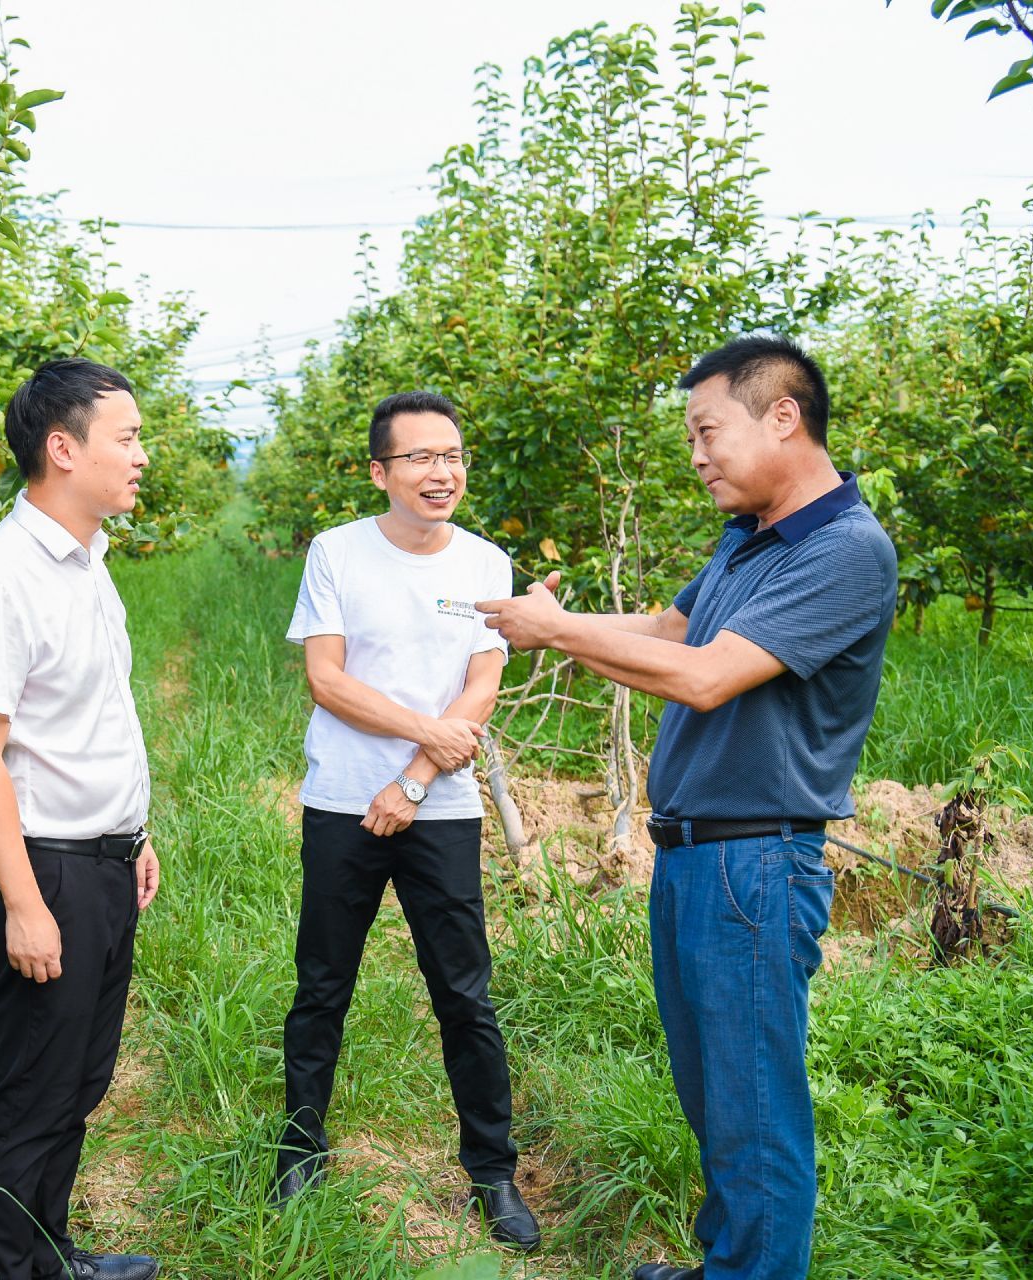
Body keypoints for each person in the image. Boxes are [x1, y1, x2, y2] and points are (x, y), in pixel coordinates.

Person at [477, 334, 897, 1280]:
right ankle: (725, 1265)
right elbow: (673, 629)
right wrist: (539, 631)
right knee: (716, 1096)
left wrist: (562, 630)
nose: (698, 456)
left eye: (709, 432)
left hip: (757, 861)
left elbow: (704, 677)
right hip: (698, 858)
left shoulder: (844, 551)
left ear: (782, 416)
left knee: (756, 1110)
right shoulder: (751, 537)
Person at [271, 391, 540, 1251]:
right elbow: (329, 680)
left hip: (442, 808)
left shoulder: (484, 563)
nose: (443, 472)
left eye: (453, 455)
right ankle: (301, 1146)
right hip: (344, 800)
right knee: (324, 982)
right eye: (421, 457)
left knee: (464, 990)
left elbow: (483, 686)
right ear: (380, 472)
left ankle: (492, 1171)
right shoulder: (336, 553)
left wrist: (418, 779)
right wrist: (427, 735)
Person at [0, 359, 163, 1280]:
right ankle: (13, 1266)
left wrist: (136, 834)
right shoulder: (0, 580)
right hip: (47, 871)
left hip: (102, 864)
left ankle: (51, 1248)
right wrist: (26, 902)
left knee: (82, 1078)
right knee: (36, 1084)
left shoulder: (90, 566)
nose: (144, 456)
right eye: (129, 437)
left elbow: (92, 718)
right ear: (63, 450)